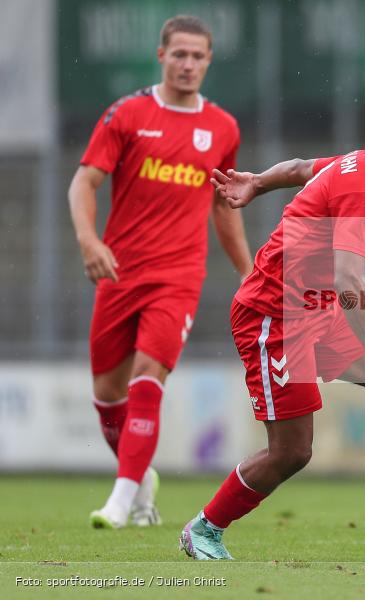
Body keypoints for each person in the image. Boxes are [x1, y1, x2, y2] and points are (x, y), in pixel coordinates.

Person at [179, 102, 365, 560]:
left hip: (316, 312)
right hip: (274, 316)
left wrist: (256, 182)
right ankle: (204, 528)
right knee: (292, 452)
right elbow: (348, 279)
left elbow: (298, 168)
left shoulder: (358, 163)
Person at [68, 15, 250, 529]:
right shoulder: (127, 114)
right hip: (119, 272)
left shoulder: (222, 128)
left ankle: (121, 502)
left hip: (179, 275)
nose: (188, 64)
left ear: (209, 61)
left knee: (149, 377)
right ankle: (140, 479)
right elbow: (84, 182)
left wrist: (247, 269)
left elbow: (224, 206)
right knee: (108, 397)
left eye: (198, 56)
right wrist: (89, 241)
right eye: (180, 55)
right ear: (161, 55)